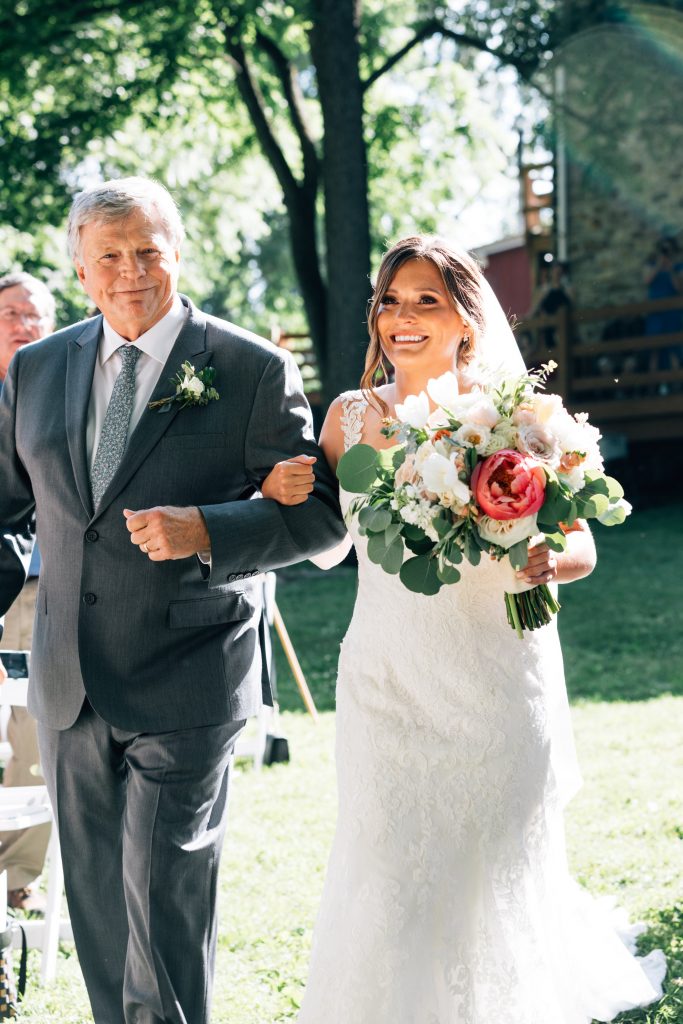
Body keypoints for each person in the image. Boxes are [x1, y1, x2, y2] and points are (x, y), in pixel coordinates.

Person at [262, 236, 665, 1023]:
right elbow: (326, 549)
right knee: (388, 871)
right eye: (390, 302)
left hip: (496, 679)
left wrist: (552, 558)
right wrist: (285, 494)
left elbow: (582, 538)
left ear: (465, 321)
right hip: (387, 679)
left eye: (425, 301)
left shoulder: (520, 417)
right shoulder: (348, 417)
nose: (401, 318)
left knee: (489, 870)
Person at [0, 176, 345, 1024]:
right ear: (80, 270)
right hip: (69, 682)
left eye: (148, 251)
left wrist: (210, 530)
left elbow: (320, 519)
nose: (131, 272)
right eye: (108, 256)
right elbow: (8, 512)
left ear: (177, 251)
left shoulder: (248, 366)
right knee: (100, 911)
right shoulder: (37, 370)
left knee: (163, 897)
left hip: (190, 675)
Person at [0, 271, 56, 914]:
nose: (25, 324)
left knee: (35, 732)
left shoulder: (63, 393)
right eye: (12, 312)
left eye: (36, 315)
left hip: (49, 586)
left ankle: (18, 879)